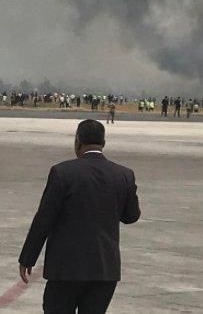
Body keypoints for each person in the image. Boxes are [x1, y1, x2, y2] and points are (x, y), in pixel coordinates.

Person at [18, 120, 140, 314]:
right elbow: (131, 216)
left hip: (65, 269)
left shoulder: (62, 172)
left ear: (78, 142)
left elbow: (44, 219)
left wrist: (28, 258)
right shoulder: (124, 174)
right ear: (104, 142)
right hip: (104, 269)